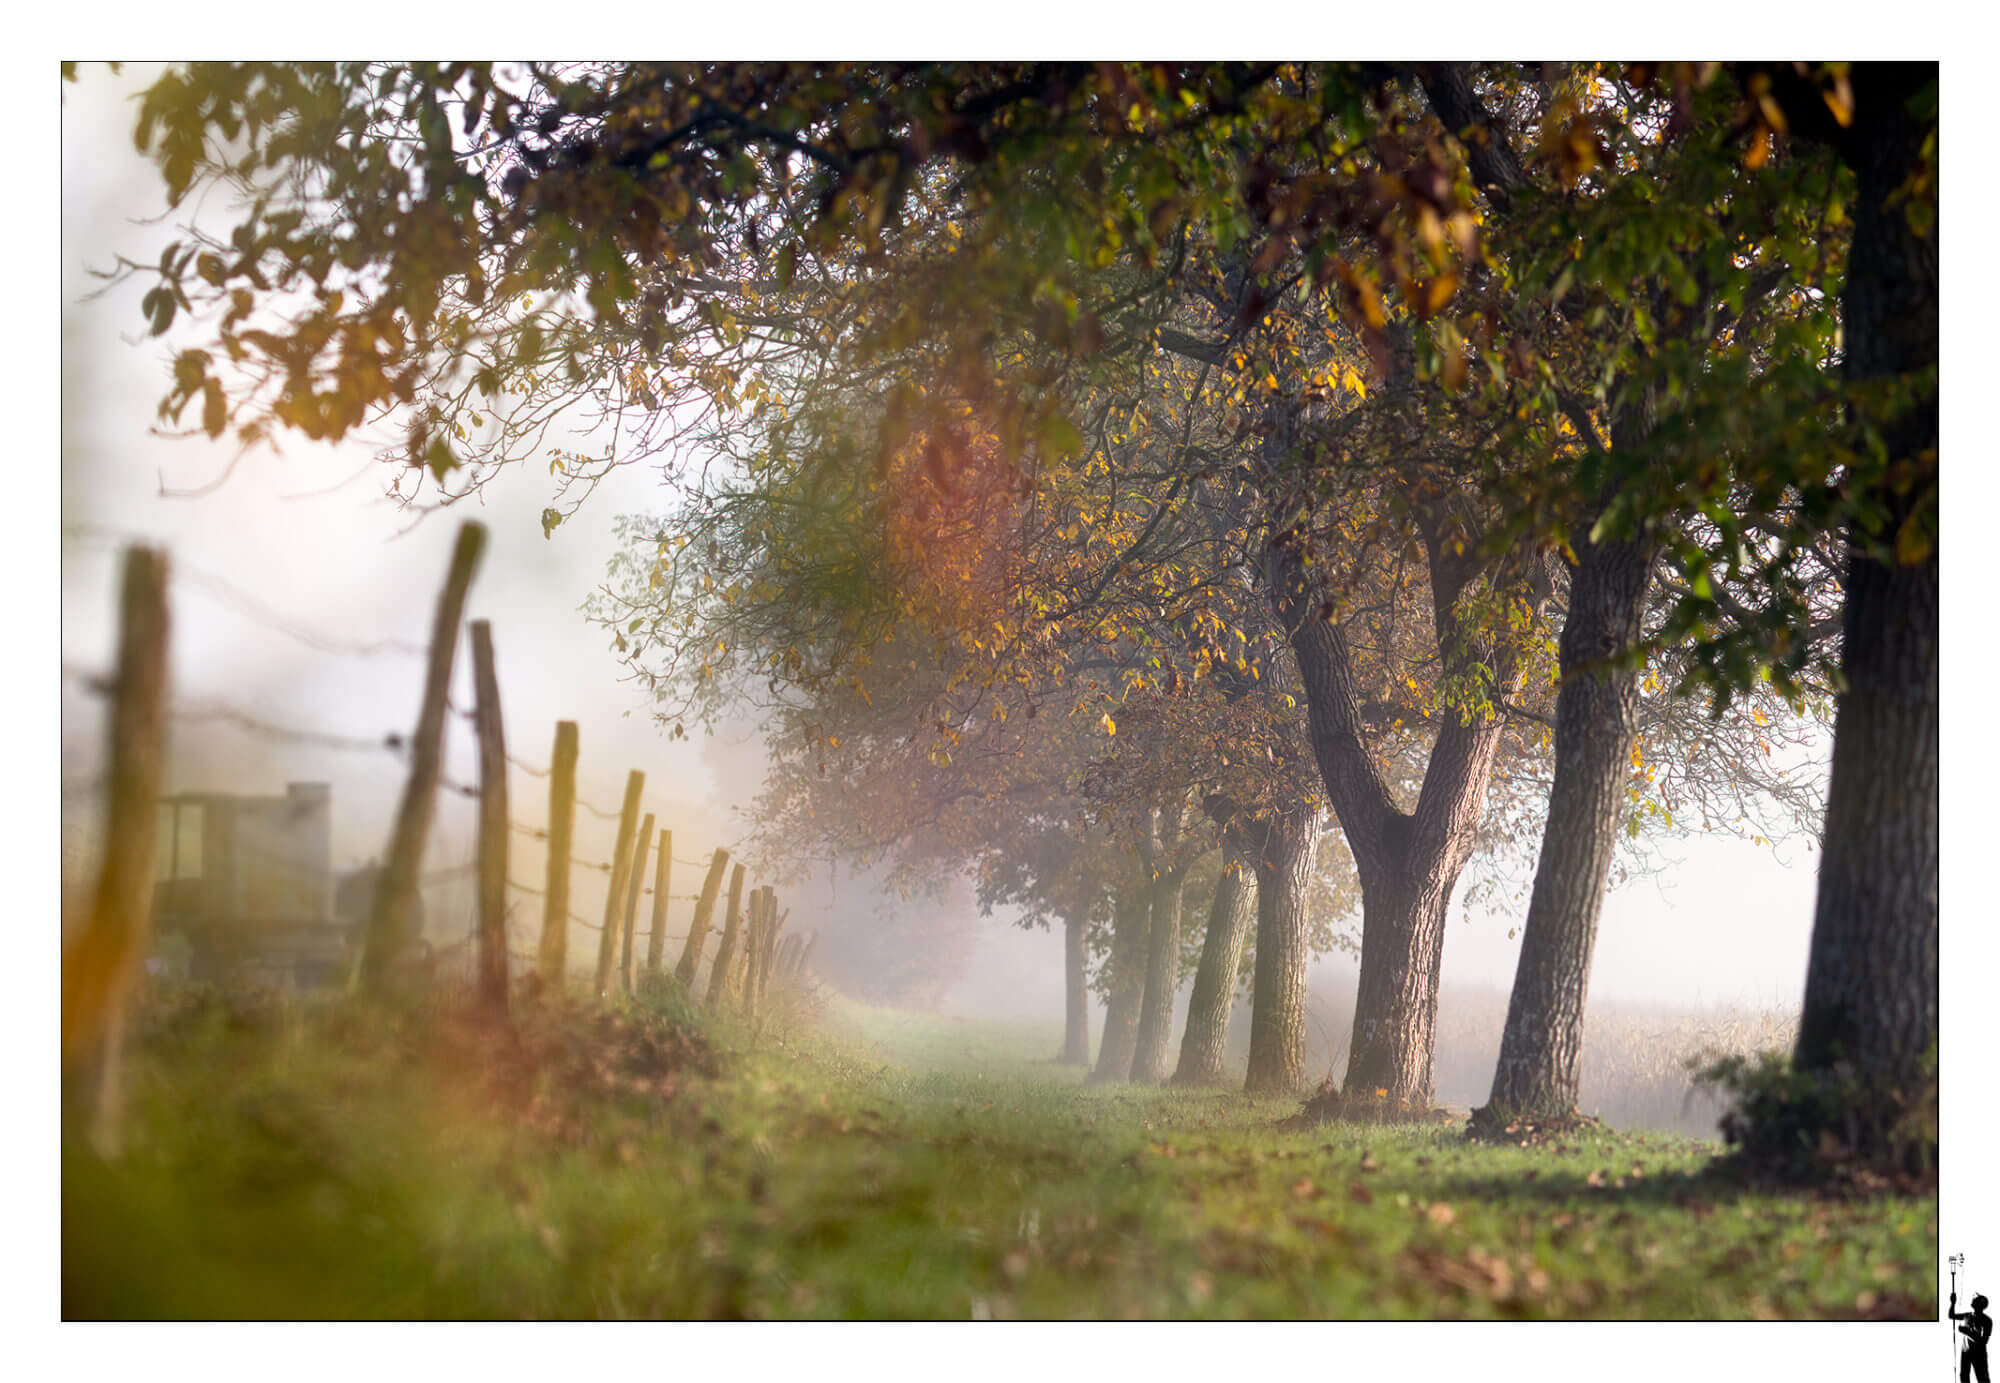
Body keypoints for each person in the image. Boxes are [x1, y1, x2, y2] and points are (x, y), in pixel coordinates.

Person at [1951, 1292, 1993, 1383]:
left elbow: (1983, 1341)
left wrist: (1967, 1332)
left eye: (1975, 1299)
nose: (1973, 1299)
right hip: (1965, 1352)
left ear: (1979, 1305)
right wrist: (1953, 1303)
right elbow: (1951, 1316)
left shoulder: (1987, 1321)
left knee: (1982, 1378)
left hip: (1979, 1354)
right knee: (1964, 1376)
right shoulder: (1967, 1315)